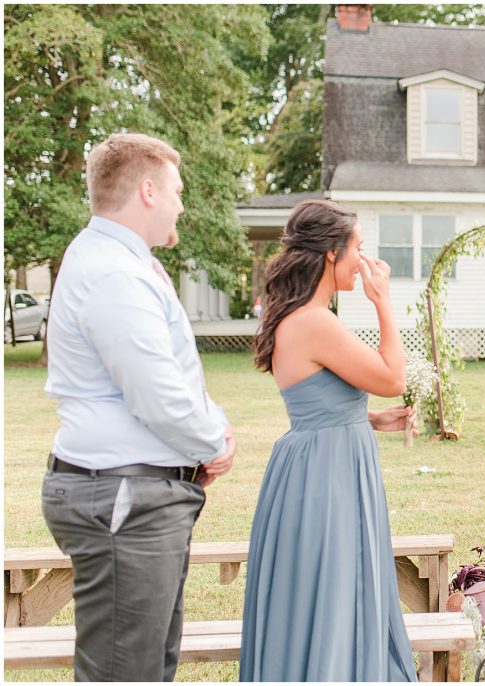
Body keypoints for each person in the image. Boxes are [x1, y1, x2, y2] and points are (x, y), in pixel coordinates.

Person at [41, 132, 237, 681]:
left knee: (147, 667)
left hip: (136, 493)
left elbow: (172, 370)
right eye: (177, 190)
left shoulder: (123, 262)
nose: (182, 203)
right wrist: (214, 442)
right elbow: (156, 393)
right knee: (125, 673)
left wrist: (211, 426)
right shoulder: (112, 271)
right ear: (148, 191)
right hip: (123, 496)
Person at [239, 199, 417, 681]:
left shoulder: (297, 316)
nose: (364, 259)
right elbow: (392, 376)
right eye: (357, 247)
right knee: (336, 585)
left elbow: (318, 400)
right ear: (330, 254)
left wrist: (371, 418)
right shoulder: (315, 320)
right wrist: (383, 301)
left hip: (322, 459)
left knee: (329, 587)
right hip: (327, 474)